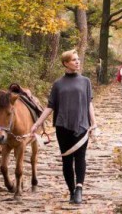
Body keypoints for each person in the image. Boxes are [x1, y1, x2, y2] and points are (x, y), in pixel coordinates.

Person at [30, 49, 97, 204]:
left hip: (81, 125)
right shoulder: (58, 84)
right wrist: (37, 123)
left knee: (80, 157)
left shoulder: (85, 81)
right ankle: (71, 191)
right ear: (65, 63)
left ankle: (79, 188)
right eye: (74, 60)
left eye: (78, 59)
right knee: (67, 160)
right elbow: (50, 106)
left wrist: (94, 122)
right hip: (62, 127)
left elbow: (89, 104)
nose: (77, 62)